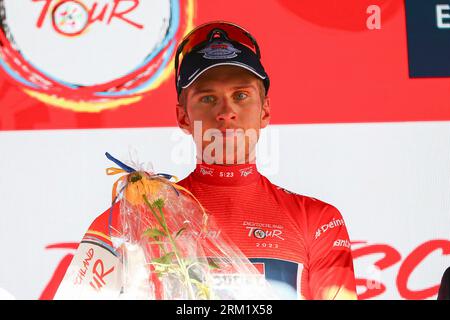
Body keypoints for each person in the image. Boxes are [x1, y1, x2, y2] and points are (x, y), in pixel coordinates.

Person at [54, 21, 357, 300]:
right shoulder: (134, 218)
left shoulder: (316, 221)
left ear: (264, 111)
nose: (226, 112)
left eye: (240, 95)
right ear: (183, 116)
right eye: (207, 98)